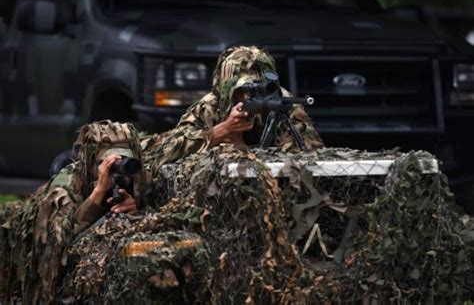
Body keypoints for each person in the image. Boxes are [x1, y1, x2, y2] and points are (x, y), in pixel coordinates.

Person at [0, 120, 145, 304]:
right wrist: (98, 192)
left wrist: (134, 214)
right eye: (108, 163)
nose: (117, 170)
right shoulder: (66, 184)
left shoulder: (137, 179)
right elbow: (58, 243)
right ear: (93, 161)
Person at [143, 46, 324, 171]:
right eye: (241, 90)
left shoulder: (282, 103)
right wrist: (221, 131)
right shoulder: (210, 107)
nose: (247, 97)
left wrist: (243, 149)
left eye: (257, 89)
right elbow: (164, 154)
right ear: (226, 89)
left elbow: (309, 156)